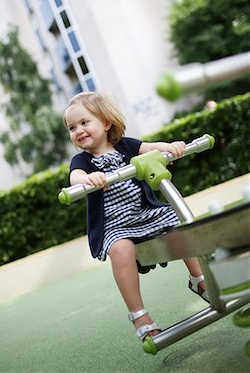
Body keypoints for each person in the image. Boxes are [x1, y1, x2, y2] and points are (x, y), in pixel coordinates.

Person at [63, 91, 210, 345]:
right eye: (72, 127)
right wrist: (87, 179)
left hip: (144, 213)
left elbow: (151, 148)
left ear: (106, 122)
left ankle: (199, 279)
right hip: (115, 225)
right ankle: (140, 316)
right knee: (120, 250)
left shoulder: (126, 146)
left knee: (178, 222)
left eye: (85, 122)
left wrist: (170, 147)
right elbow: (74, 177)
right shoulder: (83, 161)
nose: (78, 131)